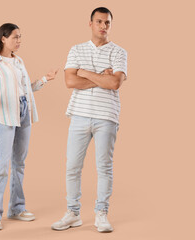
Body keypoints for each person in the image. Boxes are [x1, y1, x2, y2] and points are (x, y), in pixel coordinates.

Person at [51, 7, 128, 233]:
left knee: (104, 167)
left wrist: (84, 72)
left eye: (107, 23)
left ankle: (101, 214)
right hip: (79, 115)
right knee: (72, 167)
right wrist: (102, 77)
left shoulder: (119, 52)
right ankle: (72, 213)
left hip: (107, 116)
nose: (103, 26)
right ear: (90, 24)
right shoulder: (76, 49)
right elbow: (69, 82)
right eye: (99, 22)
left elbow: (115, 84)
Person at [0, 23, 58, 231]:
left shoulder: (19, 61)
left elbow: (26, 89)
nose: (19, 41)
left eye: (21, 37)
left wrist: (45, 80)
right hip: (4, 114)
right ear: (3, 38)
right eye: (15, 37)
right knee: (2, 164)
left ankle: (17, 208)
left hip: (24, 112)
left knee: (19, 162)